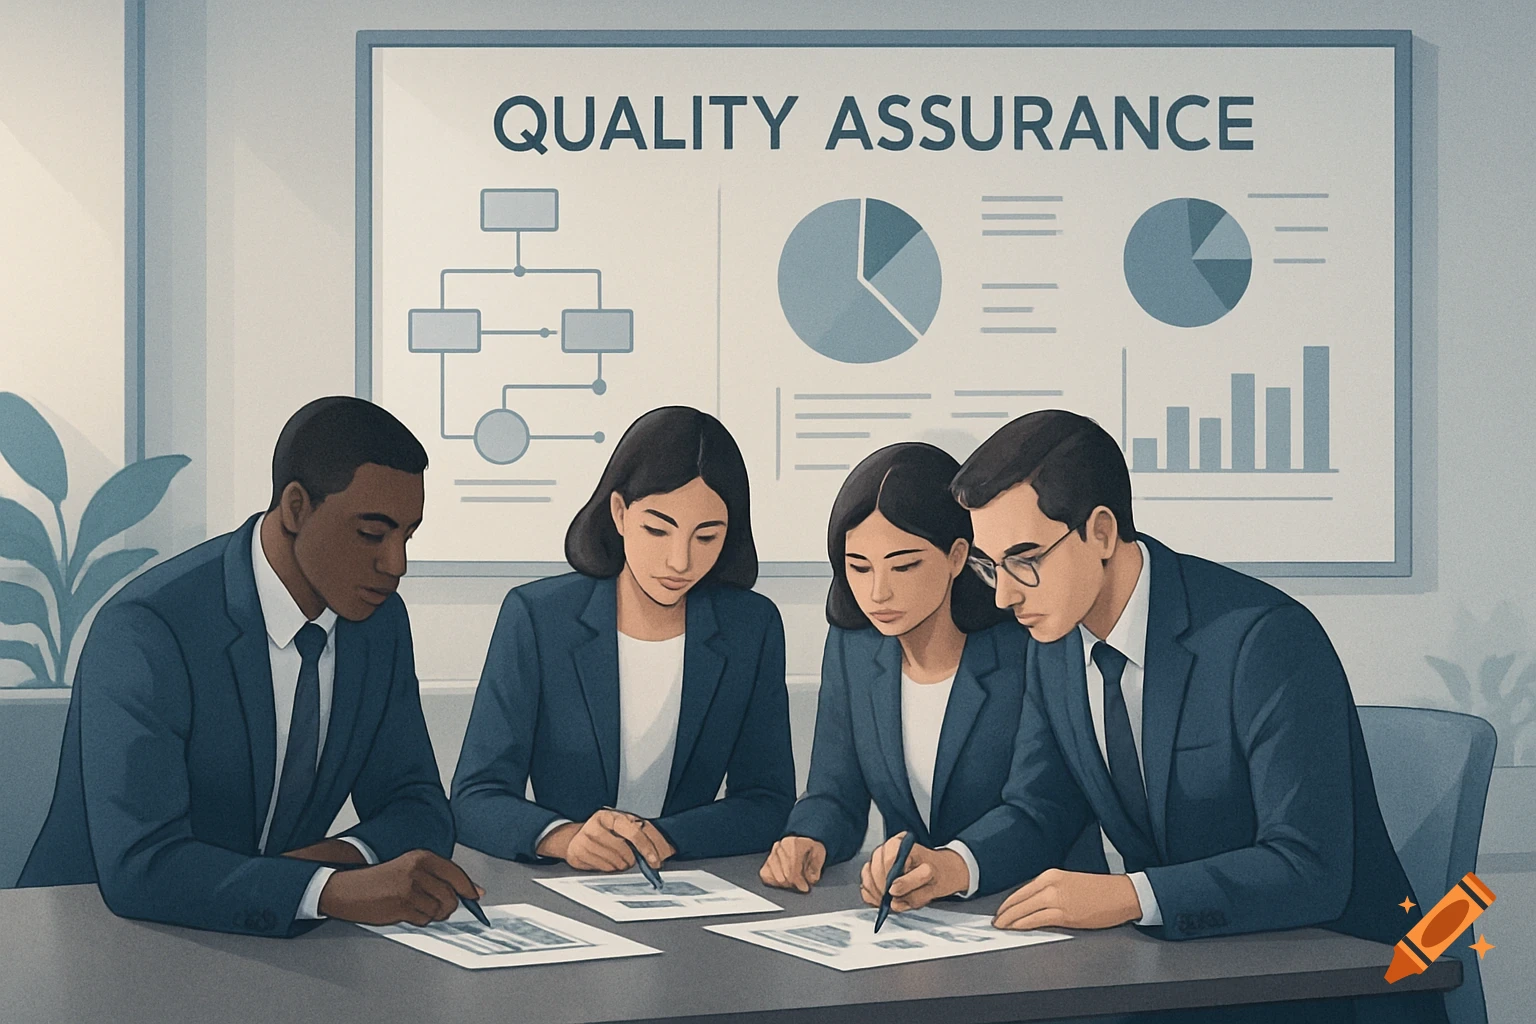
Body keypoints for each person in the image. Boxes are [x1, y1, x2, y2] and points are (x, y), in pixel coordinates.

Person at [859, 410, 1446, 1024]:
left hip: (1334, 982)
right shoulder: (1055, 641)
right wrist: (953, 864)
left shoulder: (1263, 641)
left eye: (1024, 559)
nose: (1004, 595)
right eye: (989, 565)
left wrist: (1129, 895)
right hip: (1192, 974)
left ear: (1102, 533)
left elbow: (1310, 868)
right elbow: (1042, 807)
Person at [20, 397, 481, 936]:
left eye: (408, 536)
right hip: (96, 941)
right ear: (295, 508)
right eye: (372, 534)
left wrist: (330, 865)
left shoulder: (377, 625)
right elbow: (142, 866)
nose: (395, 564)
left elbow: (419, 807)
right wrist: (331, 890)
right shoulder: (148, 630)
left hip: (267, 937)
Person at [451, 406, 794, 872]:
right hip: (565, 887)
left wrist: (668, 837)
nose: (679, 561)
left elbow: (768, 801)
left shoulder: (751, 628)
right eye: (657, 529)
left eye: (707, 537)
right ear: (618, 512)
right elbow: (475, 797)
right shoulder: (537, 617)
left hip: (690, 887)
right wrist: (563, 837)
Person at [760, 442, 1036, 899]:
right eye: (858, 567)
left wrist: (953, 865)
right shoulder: (854, 647)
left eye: (904, 566)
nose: (878, 593)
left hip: (1031, 909)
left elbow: (1040, 810)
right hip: (916, 917)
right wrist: (810, 837)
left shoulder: (1025, 651)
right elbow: (836, 793)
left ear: (957, 556)